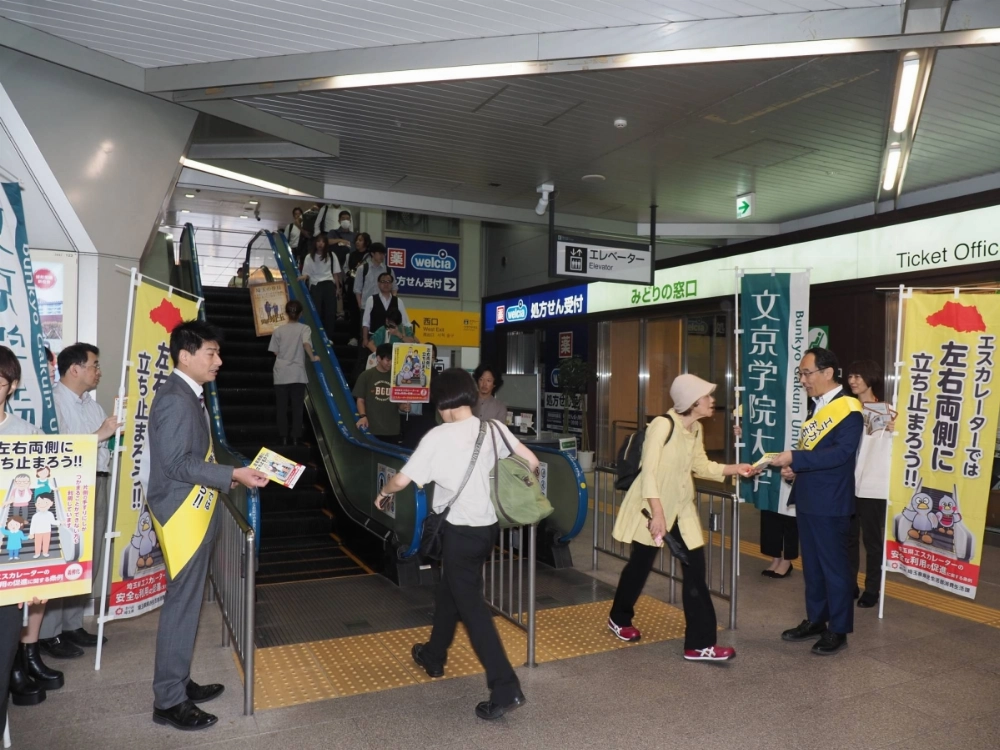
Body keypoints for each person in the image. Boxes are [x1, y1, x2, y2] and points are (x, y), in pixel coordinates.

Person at [375, 368, 534, 720]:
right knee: (451, 592)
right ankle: (434, 655)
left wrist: (383, 494)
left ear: (441, 400)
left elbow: (402, 479)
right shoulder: (494, 428)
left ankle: (506, 687)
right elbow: (532, 463)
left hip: (458, 534)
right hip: (488, 530)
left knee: (473, 610)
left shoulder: (438, 436)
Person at [147, 320, 268, 731]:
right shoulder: (176, 401)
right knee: (182, 606)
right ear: (186, 355)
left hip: (194, 512)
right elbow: (177, 464)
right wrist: (234, 475)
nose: (219, 361)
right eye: (211, 353)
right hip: (182, 514)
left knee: (188, 603)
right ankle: (168, 700)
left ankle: (177, 682)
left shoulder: (188, 395)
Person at [609, 374, 751, 661]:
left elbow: (700, 465)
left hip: (682, 511)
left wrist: (735, 469)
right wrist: (657, 515)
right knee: (639, 565)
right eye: (708, 397)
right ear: (693, 401)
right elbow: (648, 472)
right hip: (652, 508)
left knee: (696, 571)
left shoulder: (695, 428)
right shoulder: (663, 425)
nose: (712, 401)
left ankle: (699, 644)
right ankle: (619, 617)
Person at [768, 348, 863, 656]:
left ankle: (838, 630)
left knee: (834, 568)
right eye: (800, 374)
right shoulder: (817, 407)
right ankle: (817, 620)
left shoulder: (848, 409)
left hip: (831, 502)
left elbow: (840, 454)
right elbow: (816, 454)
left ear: (828, 372)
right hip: (809, 498)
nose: (802, 380)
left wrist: (797, 457)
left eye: (806, 373)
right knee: (813, 567)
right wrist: (795, 468)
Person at [39, 343, 121, 657]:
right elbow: (61, 448)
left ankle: (72, 625)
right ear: (75, 368)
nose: (98, 371)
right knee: (64, 557)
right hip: (69, 487)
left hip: (98, 482)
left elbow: (104, 444)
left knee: (88, 557)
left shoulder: (92, 404)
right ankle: (48, 633)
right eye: (94, 365)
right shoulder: (55, 402)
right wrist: (100, 434)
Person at [0, 345, 59, 711]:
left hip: (10, 551)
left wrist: (37, 576)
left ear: (12, 385)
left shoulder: (27, 434)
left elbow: (44, 496)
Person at [846, 359, 893, 609]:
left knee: (873, 541)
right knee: (849, 538)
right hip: (848, 484)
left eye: (858, 376)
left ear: (870, 378)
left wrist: (897, 430)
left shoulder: (884, 409)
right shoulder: (847, 408)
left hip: (873, 485)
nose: (853, 381)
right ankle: (850, 584)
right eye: (851, 376)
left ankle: (872, 588)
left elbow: (896, 444)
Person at [269, 300, 320, 446]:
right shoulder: (305, 328)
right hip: (297, 373)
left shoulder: (278, 330)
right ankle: (296, 437)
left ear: (286, 313)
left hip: (281, 373)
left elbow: (275, 351)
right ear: (301, 314)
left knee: (282, 407)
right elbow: (306, 343)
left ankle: (283, 437)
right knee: (297, 407)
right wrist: (313, 357)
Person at [353, 343, 409, 443]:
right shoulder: (366, 376)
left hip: (392, 430)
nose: (391, 363)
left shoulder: (397, 376)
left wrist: (403, 407)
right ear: (378, 358)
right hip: (371, 428)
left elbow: (398, 402)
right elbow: (360, 400)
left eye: (393, 360)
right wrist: (363, 416)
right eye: (387, 360)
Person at [298, 234, 342, 336]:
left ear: (326, 243)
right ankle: (316, 335)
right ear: (315, 243)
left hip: (329, 284)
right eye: (318, 241)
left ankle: (329, 336)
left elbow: (335, 273)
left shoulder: (331, 255)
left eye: (322, 242)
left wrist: (338, 289)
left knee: (330, 312)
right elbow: (306, 274)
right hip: (315, 284)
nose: (320, 244)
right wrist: (303, 277)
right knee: (316, 311)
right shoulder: (309, 257)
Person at [354, 243, 396, 335]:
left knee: (383, 335)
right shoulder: (362, 269)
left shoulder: (388, 270)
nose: (382, 256)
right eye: (380, 253)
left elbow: (394, 288)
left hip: (385, 309)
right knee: (365, 336)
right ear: (372, 254)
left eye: (384, 254)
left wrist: (392, 304)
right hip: (366, 308)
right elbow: (357, 289)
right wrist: (361, 305)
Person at [344, 232, 371, 344]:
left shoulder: (369, 256)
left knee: (365, 313)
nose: (358, 242)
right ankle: (353, 337)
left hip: (366, 289)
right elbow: (345, 268)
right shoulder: (350, 255)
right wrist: (350, 273)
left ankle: (364, 337)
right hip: (352, 287)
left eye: (360, 240)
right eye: (357, 240)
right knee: (353, 312)